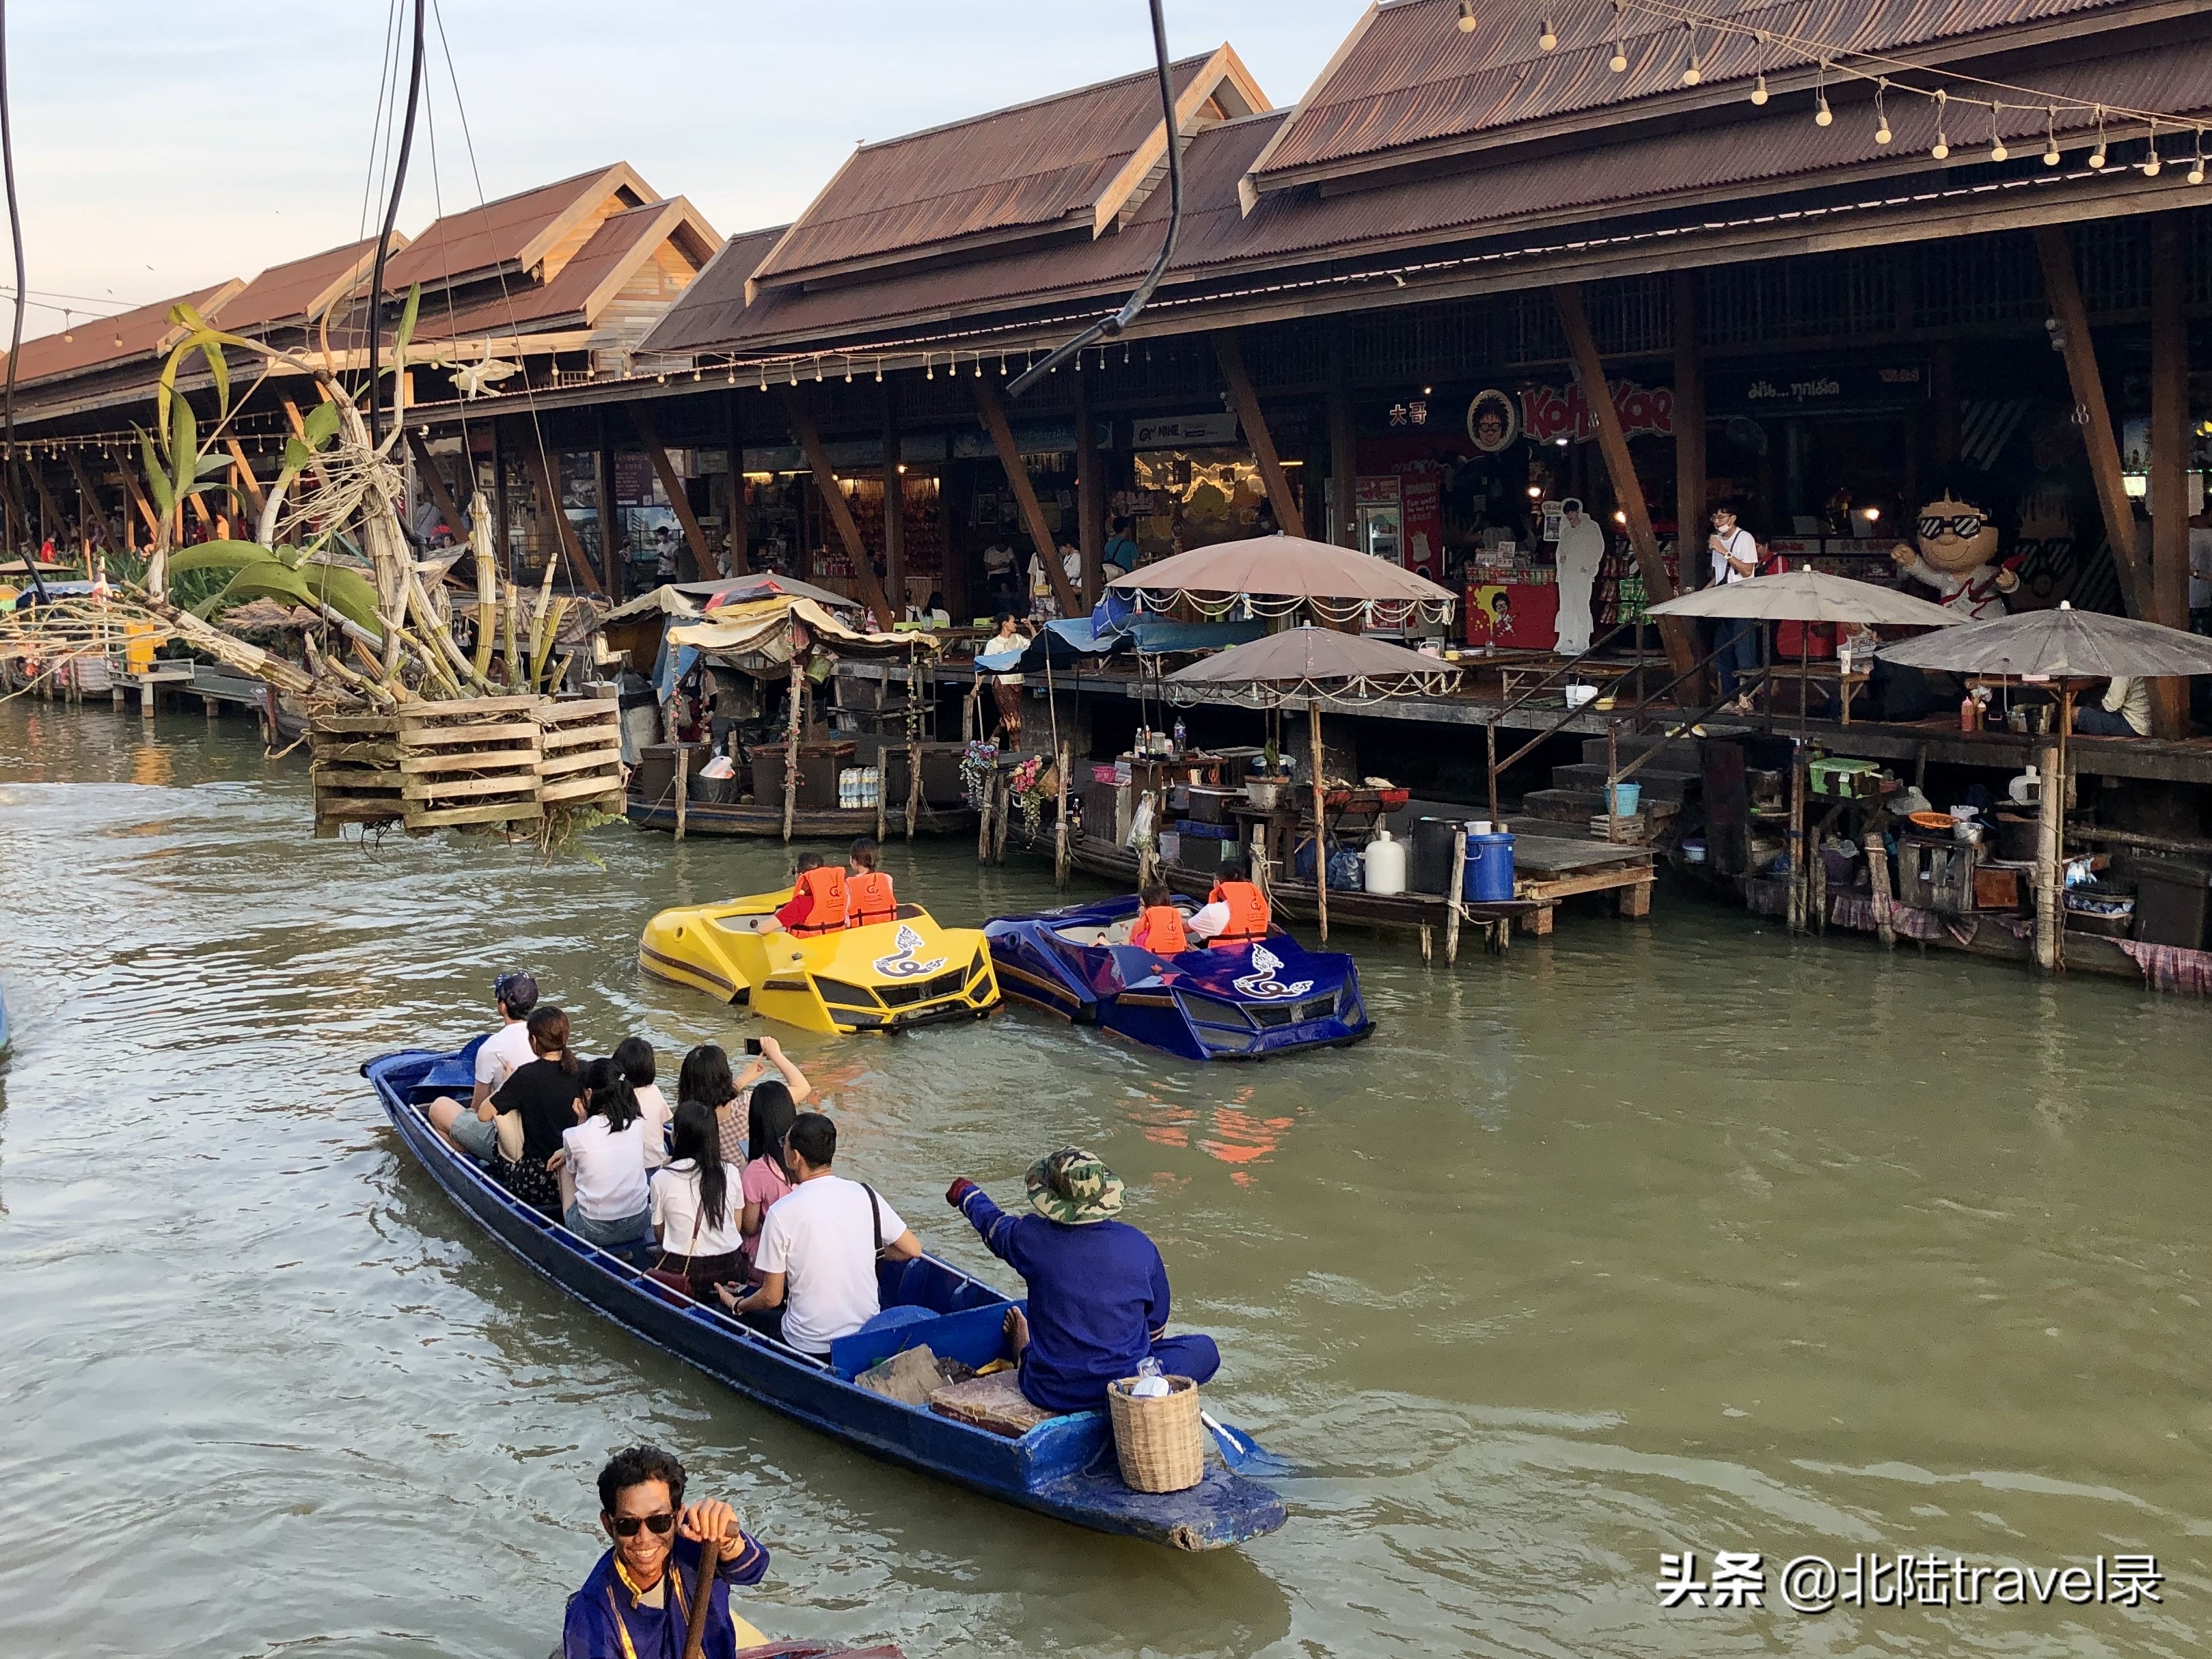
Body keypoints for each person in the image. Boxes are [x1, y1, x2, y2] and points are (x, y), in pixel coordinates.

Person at [944, 1147, 1220, 1413]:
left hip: (1049, 1391)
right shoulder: (1140, 1246)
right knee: (1205, 1350)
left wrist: (966, 1192)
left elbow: (992, 1224)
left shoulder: (1030, 1238)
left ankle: (1024, 1348)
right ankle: (1145, 1393)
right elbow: (1156, 1325)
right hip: (1126, 1386)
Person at [715, 1113, 922, 1356]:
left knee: (725, 1314)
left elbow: (771, 1297)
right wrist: (869, 1249)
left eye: (785, 1143)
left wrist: (737, 1305)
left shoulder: (781, 1213)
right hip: (864, 1335)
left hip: (808, 1343)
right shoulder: (866, 1194)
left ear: (795, 1158)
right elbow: (912, 1249)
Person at [562, 1444, 769, 1659]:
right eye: (628, 1525)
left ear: (679, 1516)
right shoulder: (590, 1615)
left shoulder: (700, 1539)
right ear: (608, 1525)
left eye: (659, 1521)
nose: (644, 1538)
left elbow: (753, 1569)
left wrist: (728, 1544)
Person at [488, 1006, 588, 1218]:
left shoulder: (525, 1076)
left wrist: (506, 1083)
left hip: (538, 1181)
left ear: (534, 1041)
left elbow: (483, 1114)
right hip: (580, 1174)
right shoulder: (585, 1070)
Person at [425, 970, 538, 1156]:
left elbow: (478, 1110)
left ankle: (477, 1158)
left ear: (503, 1007)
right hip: (538, 1132)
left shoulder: (492, 1048)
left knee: (439, 1107)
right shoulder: (545, 1038)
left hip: (509, 1140)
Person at [651, 1100, 748, 1298]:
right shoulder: (730, 1172)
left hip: (686, 1271)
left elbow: (660, 1235)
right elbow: (737, 1226)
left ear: (675, 1137)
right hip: (732, 1267)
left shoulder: (662, 1178)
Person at [556, 1057, 653, 1248]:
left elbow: (576, 1171)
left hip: (593, 1230)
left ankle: (568, 1229)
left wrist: (582, 1120)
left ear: (589, 1093)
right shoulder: (638, 1124)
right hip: (639, 1223)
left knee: (564, 1168)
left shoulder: (574, 1135)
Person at [681, 1037, 813, 1168]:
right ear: (727, 1075)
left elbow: (713, 1100)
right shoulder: (747, 1106)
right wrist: (776, 1055)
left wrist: (742, 1080)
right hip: (752, 1180)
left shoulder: (686, 1122)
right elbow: (802, 1087)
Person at [737, 1082, 802, 1273]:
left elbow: (750, 1227)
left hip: (774, 1261)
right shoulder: (806, 1159)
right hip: (802, 1249)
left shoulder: (757, 1170)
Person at [1706, 503, 1760, 711]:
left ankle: (1747, 698)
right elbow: (1717, 576)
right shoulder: (1716, 540)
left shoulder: (1744, 538)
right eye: (1715, 518)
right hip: (1722, 602)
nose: (1718, 522)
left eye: (1721, 517)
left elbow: (1747, 571)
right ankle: (1730, 698)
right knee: (1724, 652)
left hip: (1742, 602)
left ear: (1733, 518)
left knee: (1744, 652)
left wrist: (1724, 552)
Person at [1551, 497, 1605, 657]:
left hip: (1581, 576)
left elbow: (1598, 548)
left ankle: (1582, 641)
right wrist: (1562, 561)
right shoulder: (1567, 531)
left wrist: (1588, 567)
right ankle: (1567, 640)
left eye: (1572, 512)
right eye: (1567, 513)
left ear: (1578, 512)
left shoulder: (1590, 528)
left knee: (1581, 607)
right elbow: (1561, 551)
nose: (1570, 516)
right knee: (1567, 607)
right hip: (1567, 576)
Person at [1185, 853, 1271, 950]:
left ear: (1217, 883)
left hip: (1225, 962)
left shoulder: (1216, 911)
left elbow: (1183, 928)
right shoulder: (1259, 908)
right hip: (1255, 959)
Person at [615, 1037, 672, 1170]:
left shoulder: (616, 1096)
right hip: (655, 1161)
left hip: (632, 1165)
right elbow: (665, 1120)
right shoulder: (654, 1091)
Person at [769, 851, 847, 937]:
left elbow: (763, 930)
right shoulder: (843, 897)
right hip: (834, 946)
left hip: (804, 948)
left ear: (801, 876)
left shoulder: (800, 904)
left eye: (794, 872)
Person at [2075, 676, 2151, 737]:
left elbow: (2112, 705)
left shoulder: (2123, 669)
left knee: (2075, 713)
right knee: (2086, 697)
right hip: (2143, 723)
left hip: (2131, 725)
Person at [845, 838, 896, 927]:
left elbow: (845, 916)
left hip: (859, 931)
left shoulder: (848, 884)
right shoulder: (887, 879)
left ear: (854, 861)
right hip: (886, 929)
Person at [1128, 882, 1190, 956]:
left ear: (1149, 908)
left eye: (1141, 904)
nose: (1139, 907)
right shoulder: (1177, 932)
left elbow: (1133, 958)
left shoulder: (1143, 937)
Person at [981, 536, 1017, 607]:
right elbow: (988, 568)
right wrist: (1000, 566)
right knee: (996, 592)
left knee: (1013, 587)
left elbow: (1015, 562)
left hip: (1007, 573)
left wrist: (1018, 574)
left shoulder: (1008, 549)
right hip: (994, 575)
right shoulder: (989, 551)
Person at [1102, 516, 1138, 580]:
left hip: (1113, 580)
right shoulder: (1131, 545)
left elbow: (1107, 563)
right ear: (1125, 529)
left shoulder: (1108, 545)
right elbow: (1134, 565)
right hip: (1127, 579)